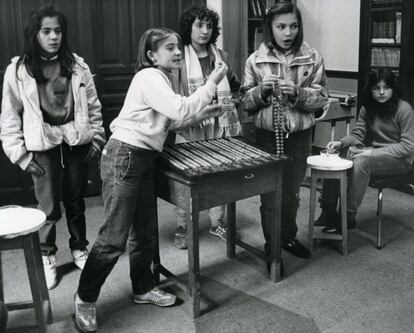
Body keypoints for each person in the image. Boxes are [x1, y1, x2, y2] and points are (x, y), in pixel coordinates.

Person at [74, 27, 228, 332]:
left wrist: (202, 113)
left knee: (145, 232)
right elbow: (179, 108)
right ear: (151, 55)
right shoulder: (149, 77)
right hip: (125, 156)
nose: (176, 52)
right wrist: (212, 82)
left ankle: (143, 288)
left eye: (177, 47)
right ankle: (85, 299)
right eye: (169, 47)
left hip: (142, 158)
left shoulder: (162, 79)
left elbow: (172, 120)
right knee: (113, 237)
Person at [0, 6, 105, 289]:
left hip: (75, 143)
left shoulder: (77, 65)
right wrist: (20, 156)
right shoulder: (19, 70)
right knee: (47, 207)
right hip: (41, 147)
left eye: (57, 31)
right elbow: (9, 116)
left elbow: (93, 106)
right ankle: (47, 256)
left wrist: (96, 137)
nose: (53, 36)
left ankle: (79, 248)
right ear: (35, 34)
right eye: (46, 31)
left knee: (75, 200)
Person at [241, 2, 329, 260]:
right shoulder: (255, 60)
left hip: (300, 136)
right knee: (270, 195)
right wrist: (261, 92)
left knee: (291, 192)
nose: (288, 32)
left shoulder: (313, 57)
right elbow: (245, 102)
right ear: (270, 27)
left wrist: (299, 94)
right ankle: (272, 247)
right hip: (267, 136)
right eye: (281, 27)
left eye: (293, 26)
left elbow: (323, 97)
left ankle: (287, 238)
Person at [171, 6, 242, 249]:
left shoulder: (221, 55)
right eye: (199, 25)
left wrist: (231, 102)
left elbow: (234, 85)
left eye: (209, 26)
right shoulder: (178, 56)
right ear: (188, 28)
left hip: (218, 124)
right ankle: (183, 225)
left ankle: (216, 222)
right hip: (191, 124)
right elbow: (174, 94)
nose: (204, 31)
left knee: (218, 174)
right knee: (185, 178)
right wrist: (194, 112)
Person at [316, 68, 414, 233]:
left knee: (361, 162)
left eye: (386, 88)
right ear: (371, 89)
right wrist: (340, 143)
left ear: (393, 89)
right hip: (375, 154)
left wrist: (371, 153)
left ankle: (347, 217)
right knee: (335, 157)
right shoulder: (367, 107)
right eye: (376, 88)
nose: (381, 92)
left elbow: (408, 146)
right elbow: (358, 134)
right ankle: (328, 211)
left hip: (403, 160)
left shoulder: (404, 109)